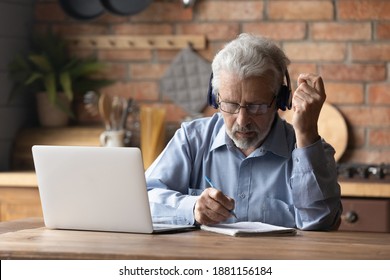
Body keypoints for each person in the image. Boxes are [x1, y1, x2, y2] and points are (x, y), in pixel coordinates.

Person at [145, 33, 342, 230]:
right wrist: (192, 207)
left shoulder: (312, 152)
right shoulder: (192, 140)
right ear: (215, 99)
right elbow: (143, 198)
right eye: (230, 104)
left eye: (256, 106)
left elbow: (321, 223)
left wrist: (306, 133)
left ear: (281, 101)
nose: (242, 120)